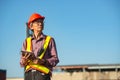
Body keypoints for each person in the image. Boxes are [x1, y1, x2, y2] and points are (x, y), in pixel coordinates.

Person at [20, 13, 59, 80]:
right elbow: (21, 62)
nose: (40, 24)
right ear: (31, 26)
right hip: (28, 76)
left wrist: (43, 61)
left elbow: (55, 59)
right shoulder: (26, 41)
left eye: (41, 22)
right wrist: (24, 61)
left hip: (42, 75)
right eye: (37, 22)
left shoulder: (49, 40)